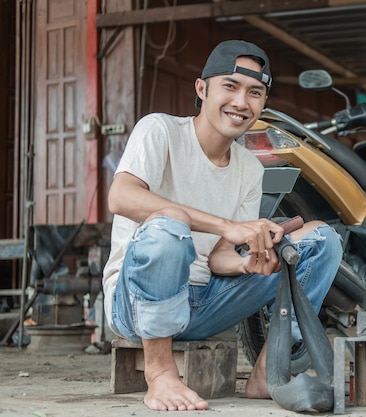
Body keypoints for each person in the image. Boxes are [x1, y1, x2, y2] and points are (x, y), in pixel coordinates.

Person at [102, 40, 342, 412]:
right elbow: (121, 197)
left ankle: (269, 371)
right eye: (230, 86)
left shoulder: (249, 168)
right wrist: (227, 225)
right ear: (202, 89)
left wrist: (248, 263)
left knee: (322, 240)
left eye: (255, 93)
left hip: (204, 305)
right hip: (135, 305)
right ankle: (161, 375)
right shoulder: (160, 131)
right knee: (169, 226)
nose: (241, 102)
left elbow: (218, 258)